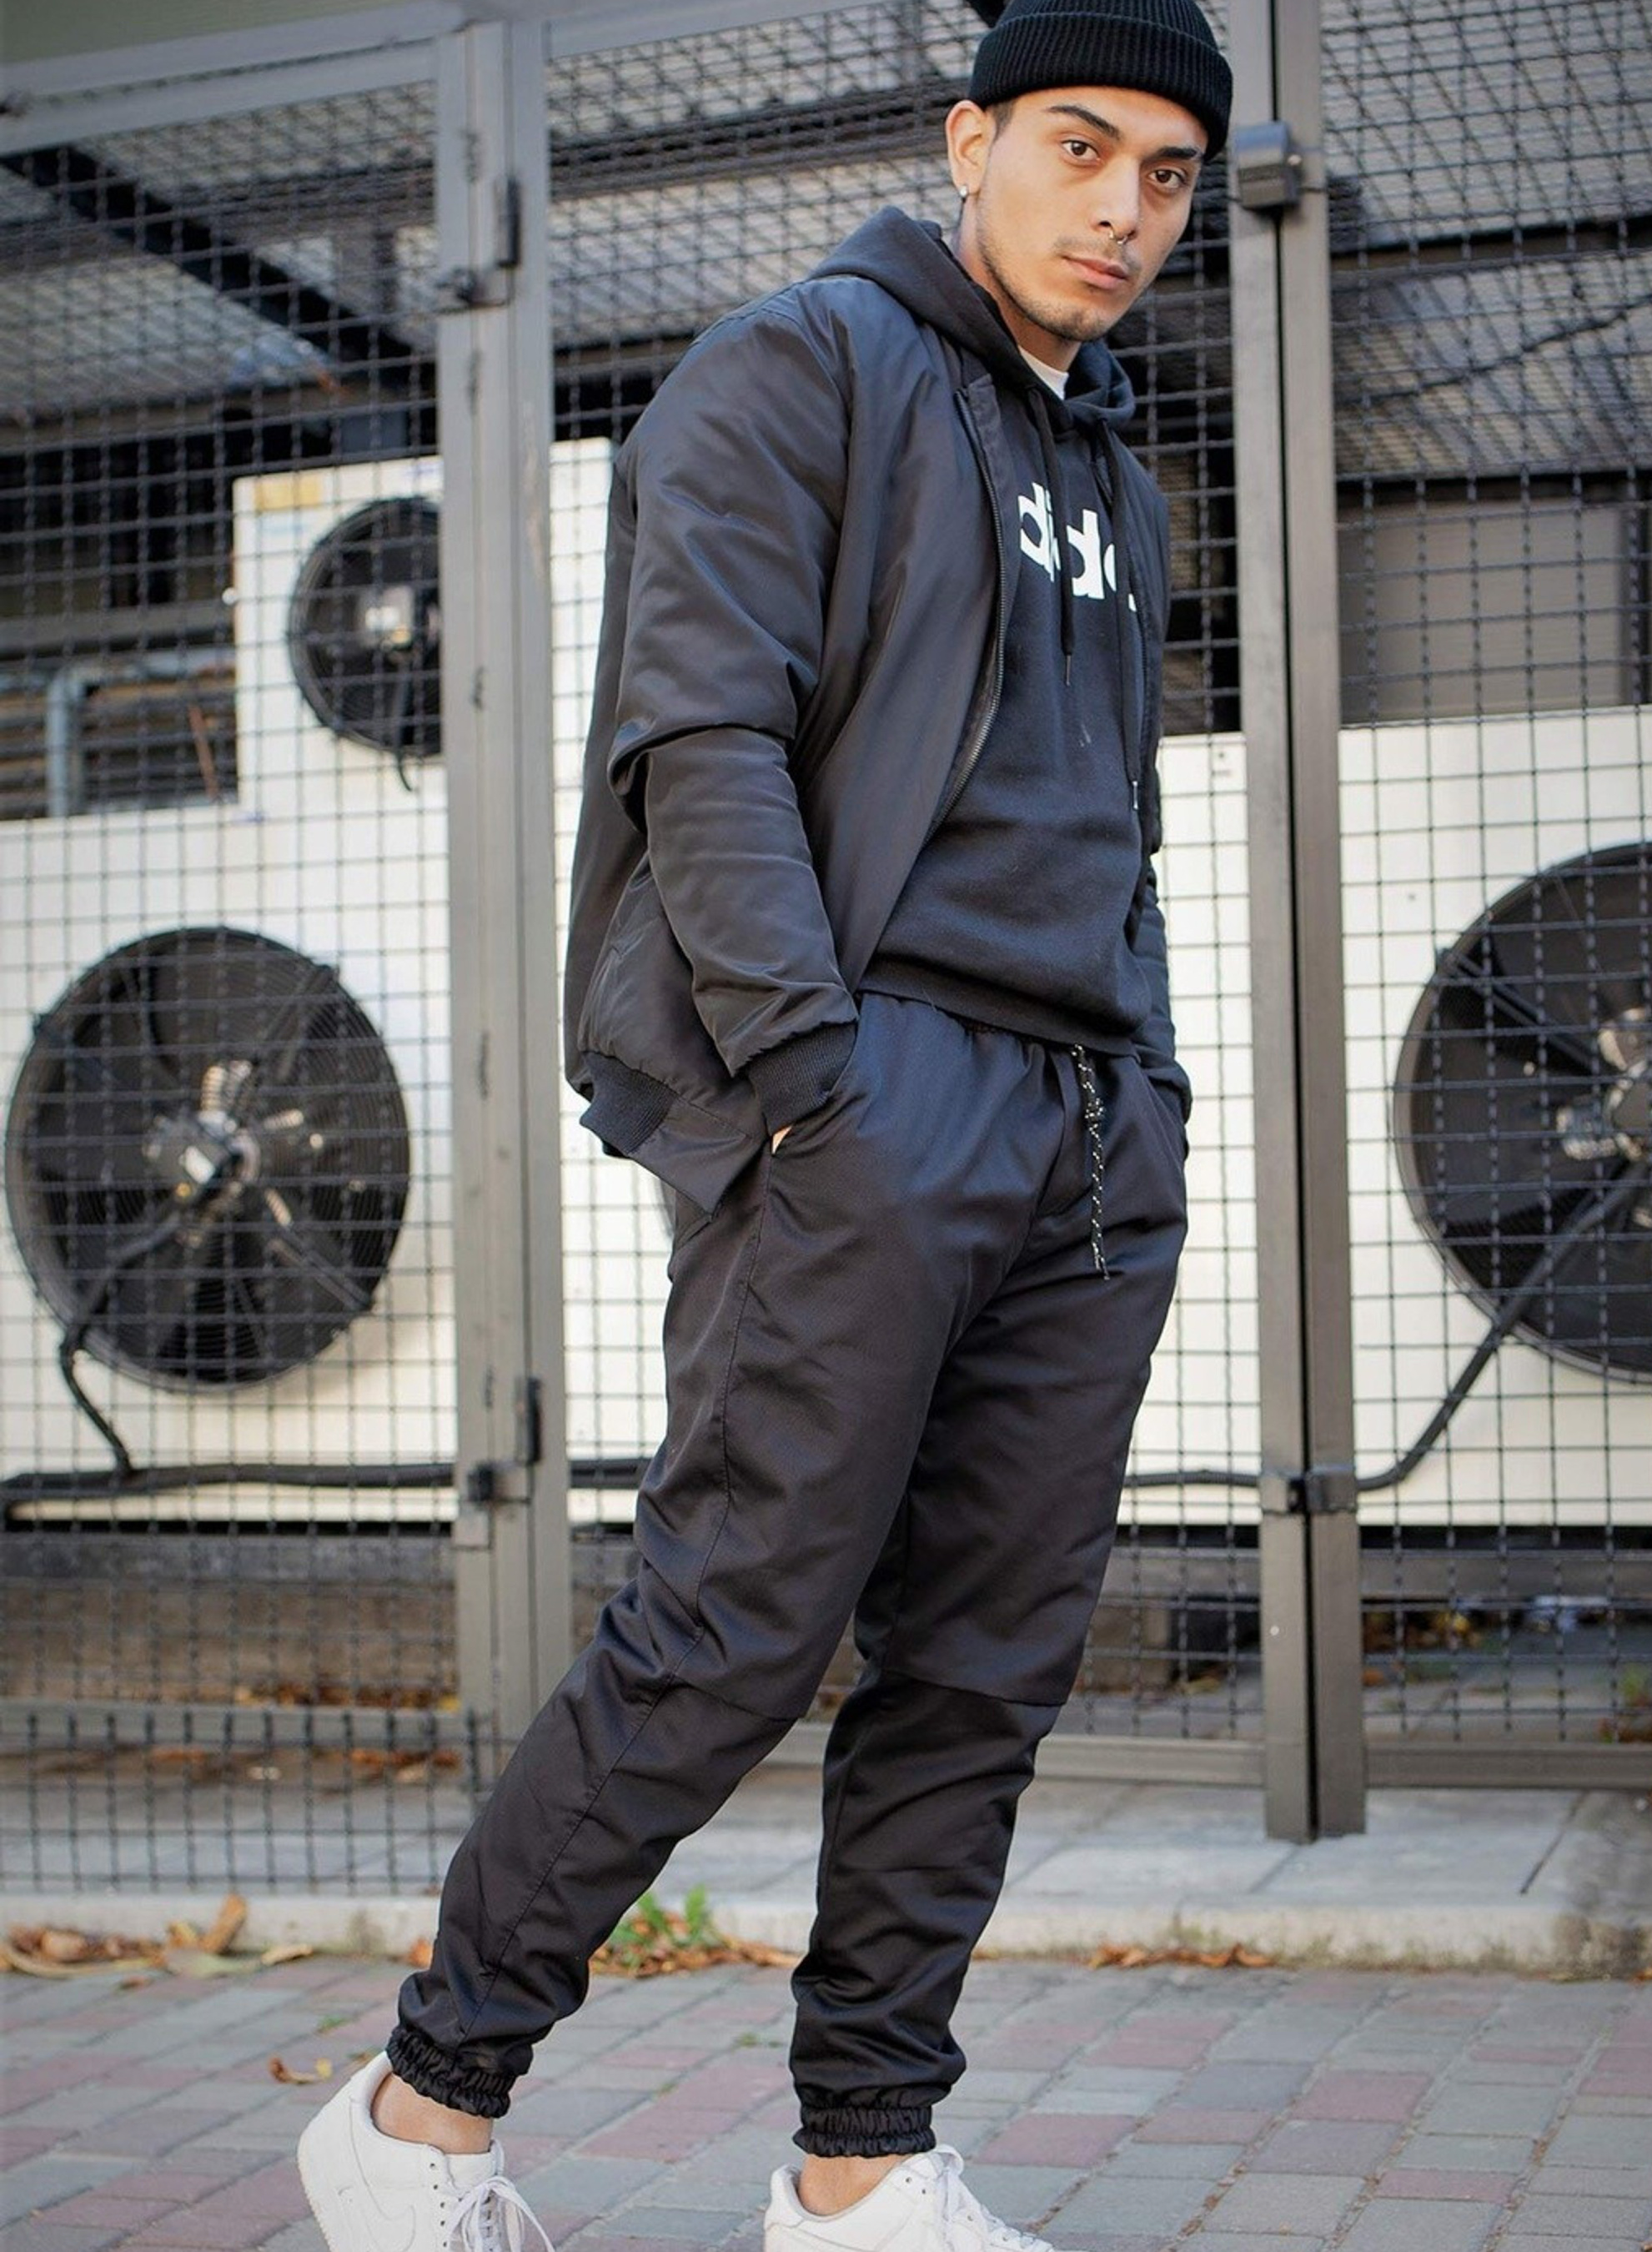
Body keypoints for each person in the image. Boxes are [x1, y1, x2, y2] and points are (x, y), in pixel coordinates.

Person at [297, 1, 1228, 2244]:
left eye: (1168, 172)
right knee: (728, 1625)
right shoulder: (799, 367)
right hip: (873, 1096)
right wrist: (817, 1082)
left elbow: (1102, 814)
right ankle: (422, 2111)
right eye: (1079, 145)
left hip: (1088, 1134)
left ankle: (860, 2164)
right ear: (970, 141)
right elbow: (697, 739)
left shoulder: (1117, 479)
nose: (1122, 207)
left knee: (984, 1668)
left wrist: (1151, 1090)